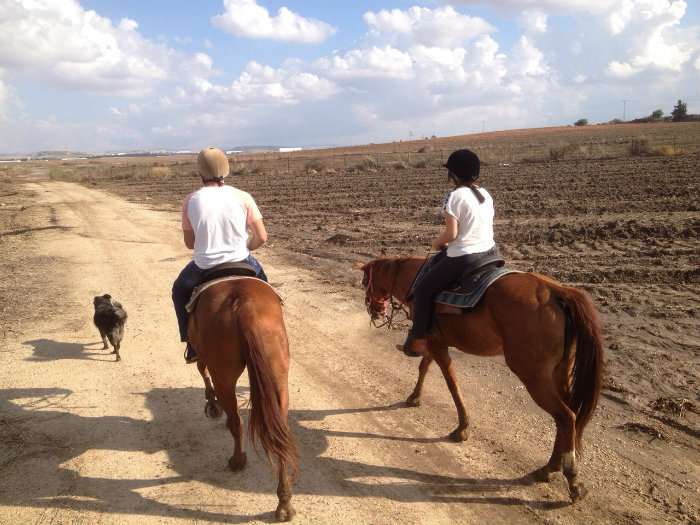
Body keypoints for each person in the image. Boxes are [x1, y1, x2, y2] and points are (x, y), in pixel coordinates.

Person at [172, 147, 268, 363]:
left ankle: (191, 344)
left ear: (200, 174)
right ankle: (268, 332)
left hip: (204, 266)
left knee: (178, 291)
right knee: (267, 290)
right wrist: (244, 249)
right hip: (242, 259)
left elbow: (189, 244)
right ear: (226, 172)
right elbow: (261, 237)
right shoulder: (243, 196)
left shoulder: (189, 201)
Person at [404, 148, 496, 355]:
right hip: (490, 252)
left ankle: (418, 340)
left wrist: (437, 242)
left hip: (465, 257)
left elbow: (451, 234)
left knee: (422, 290)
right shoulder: (485, 194)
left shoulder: (454, 196)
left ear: (454, 174)